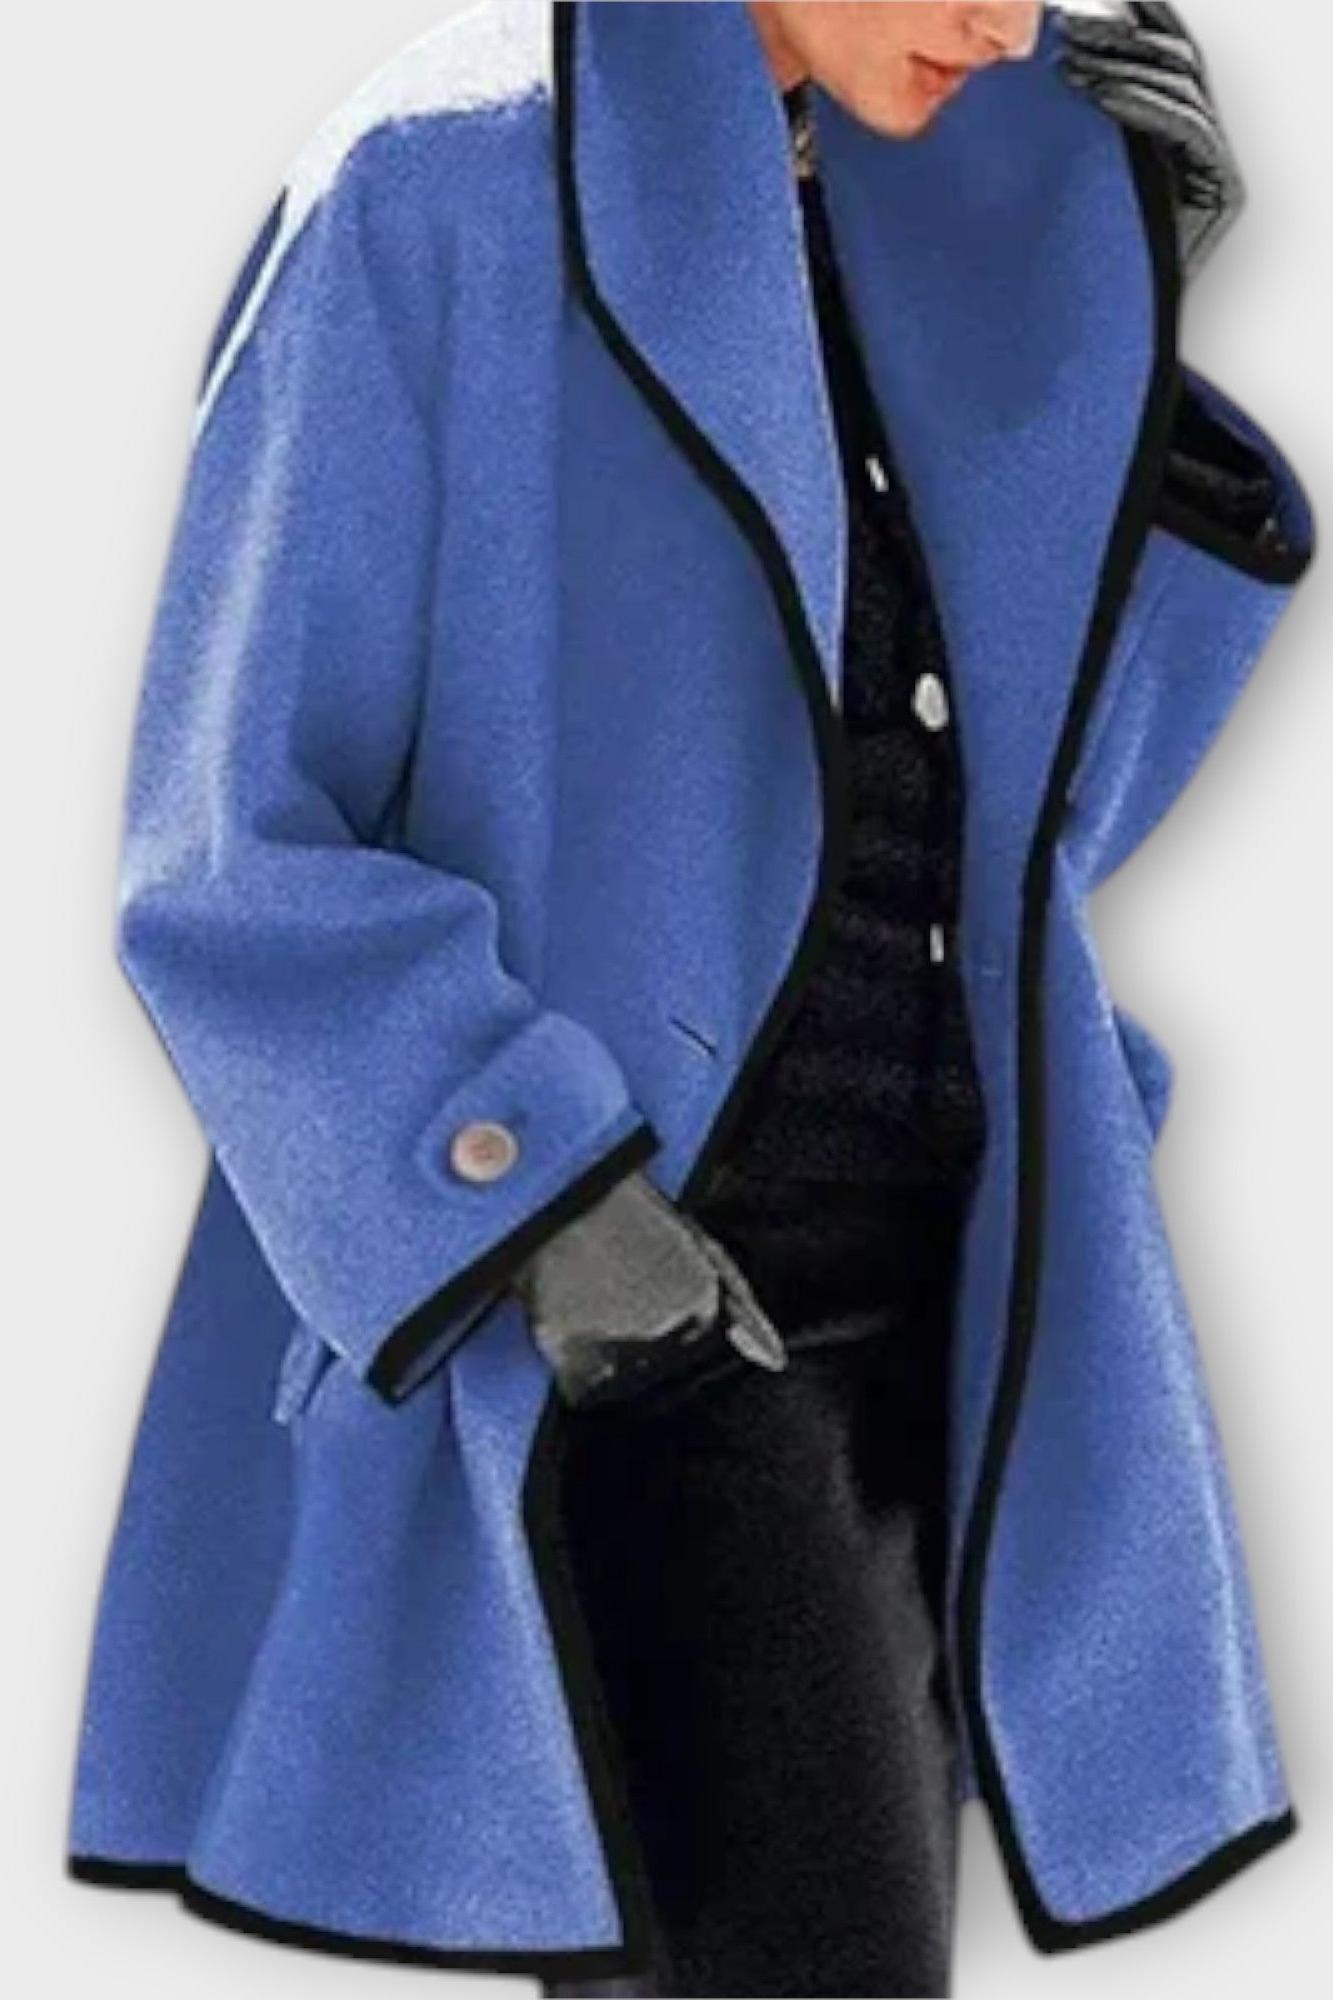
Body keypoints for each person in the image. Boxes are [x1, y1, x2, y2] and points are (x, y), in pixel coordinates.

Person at [67, 7, 1313, 1998]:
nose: (1009, 20)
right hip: (666, 1308)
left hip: (957, 1295)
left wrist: (1113, 343)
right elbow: (230, 840)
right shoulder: (441, 187)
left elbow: (1029, 831)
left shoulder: (934, 210)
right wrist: (548, 1215)